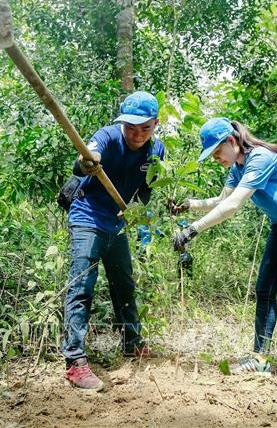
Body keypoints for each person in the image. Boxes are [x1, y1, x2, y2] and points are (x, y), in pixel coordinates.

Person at [169, 117, 277, 390]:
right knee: (264, 289)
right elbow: (221, 200)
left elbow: (233, 206)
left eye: (218, 152)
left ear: (231, 141)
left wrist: (192, 230)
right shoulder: (237, 167)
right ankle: (259, 358)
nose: (217, 159)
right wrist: (188, 205)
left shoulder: (260, 159)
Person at [62, 91, 165, 391]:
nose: (137, 134)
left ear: (155, 124)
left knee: (125, 285)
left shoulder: (156, 151)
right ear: (122, 123)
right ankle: (75, 362)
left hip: (117, 222)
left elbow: (146, 192)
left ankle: (132, 344)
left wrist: (136, 207)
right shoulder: (106, 137)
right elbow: (81, 162)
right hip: (87, 217)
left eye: (145, 128)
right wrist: (87, 163)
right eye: (132, 127)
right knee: (81, 286)